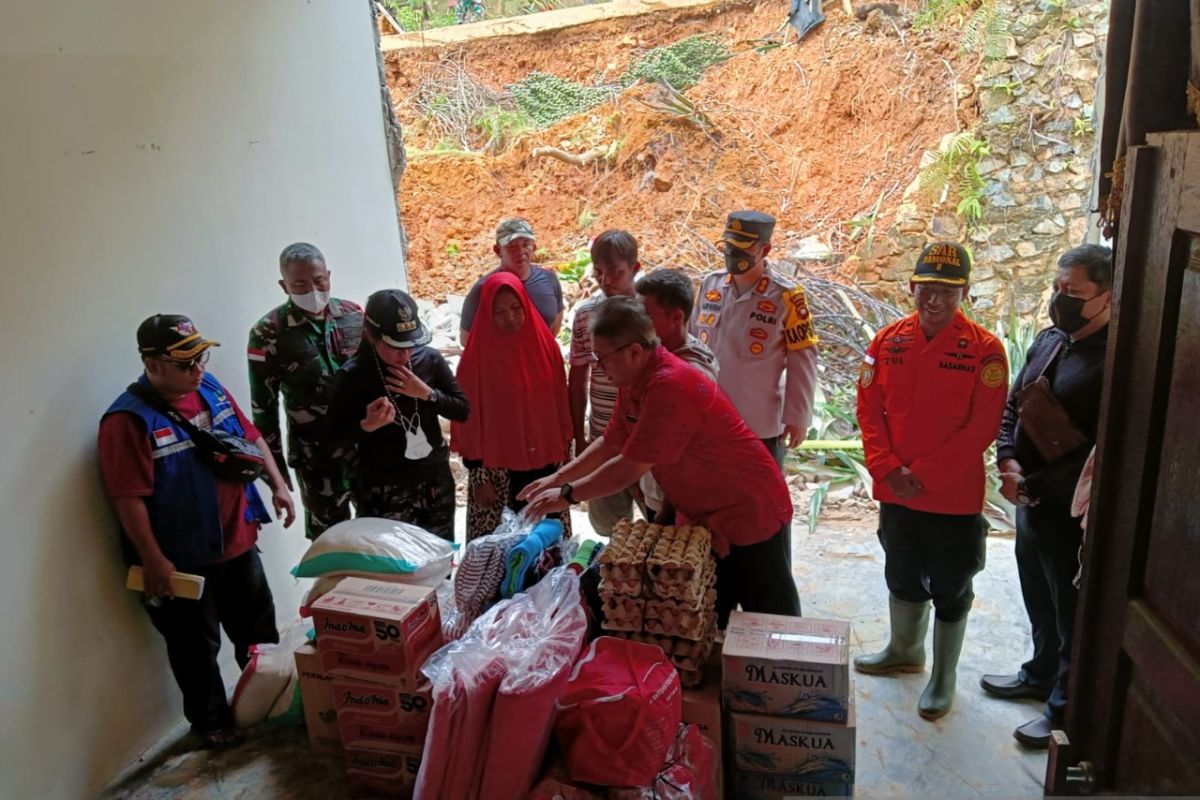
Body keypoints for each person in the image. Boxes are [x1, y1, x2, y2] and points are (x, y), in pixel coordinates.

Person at [520, 297, 799, 623]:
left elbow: (628, 468)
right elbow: (611, 442)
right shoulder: (635, 379)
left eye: (602, 358)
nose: (598, 367)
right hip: (705, 511)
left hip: (749, 508)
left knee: (771, 620)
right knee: (704, 611)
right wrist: (557, 479)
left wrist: (568, 495)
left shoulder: (669, 386)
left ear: (635, 352)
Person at [98, 315, 296, 748]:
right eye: (185, 363)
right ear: (152, 364)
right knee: (195, 649)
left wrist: (278, 485)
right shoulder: (127, 422)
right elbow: (127, 498)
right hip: (182, 560)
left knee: (259, 635)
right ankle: (212, 723)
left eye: (200, 358)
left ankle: (265, 705)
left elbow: (251, 437)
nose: (198, 370)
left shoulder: (209, 389)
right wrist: (153, 559)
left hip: (238, 541)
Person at [853, 242, 1008, 721]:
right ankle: (905, 650)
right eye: (926, 289)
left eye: (947, 290)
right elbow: (868, 411)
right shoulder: (886, 342)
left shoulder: (985, 351)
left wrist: (921, 476)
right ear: (912, 287)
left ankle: (943, 678)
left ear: (964, 292)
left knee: (952, 586)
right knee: (900, 573)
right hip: (896, 492)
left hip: (952, 498)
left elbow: (982, 428)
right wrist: (887, 469)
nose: (934, 300)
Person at [981, 244, 1112, 748]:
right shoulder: (1051, 341)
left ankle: (1062, 709)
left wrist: (1034, 485)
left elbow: (1100, 456)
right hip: (1029, 498)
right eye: (1057, 289)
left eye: (1073, 293)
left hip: (1069, 512)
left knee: (1070, 609)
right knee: (1038, 596)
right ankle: (1037, 674)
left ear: (1106, 297)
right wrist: (1009, 461)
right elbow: (1016, 403)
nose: (1061, 300)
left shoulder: (1115, 365)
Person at [325, 290, 468, 540]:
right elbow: (331, 442)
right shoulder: (353, 375)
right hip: (384, 489)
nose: (405, 355)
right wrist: (365, 426)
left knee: (440, 559)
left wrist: (427, 394)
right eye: (395, 347)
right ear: (371, 336)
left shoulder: (429, 359)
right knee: (395, 571)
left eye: (411, 345)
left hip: (434, 480)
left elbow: (462, 410)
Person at [248, 242, 364, 540]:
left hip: (365, 450)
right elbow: (263, 406)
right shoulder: (268, 332)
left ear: (329, 276)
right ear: (283, 285)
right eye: (299, 284)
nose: (312, 290)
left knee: (376, 537)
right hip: (316, 459)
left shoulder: (354, 315)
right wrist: (273, 470)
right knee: (331, 544)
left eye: (318, 280)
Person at [689, 210, 818, 466]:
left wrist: (798, 417)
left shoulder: (786, 296)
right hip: (707, 416)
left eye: (741, 248)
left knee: (760, 500)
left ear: (765, 249)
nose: (732, 254)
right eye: (728, 246)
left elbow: (803, 360)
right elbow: (691, 344)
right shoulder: (710, 286)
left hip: (758, 424)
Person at [453, 272, 574, 540]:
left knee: (546, 544)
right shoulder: (476, 359)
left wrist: (566, 453)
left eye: (516, 308)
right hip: (497, 472)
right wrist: (480, 476)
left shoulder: (546, 348)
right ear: (486, 313)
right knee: (500, 550)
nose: (510, 317)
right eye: (500, 312)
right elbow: (468, 419)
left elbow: (559, 402)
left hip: (545, 462)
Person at [569, 230, 642, 535]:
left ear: (635, 268)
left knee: (662, 523)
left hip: (648, 436)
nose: (606, 280)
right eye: (599, 272)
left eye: (616, 271)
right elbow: (578, 377)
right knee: (610, 529)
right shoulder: (586, 314)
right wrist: (579, 438)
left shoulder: (652, 312)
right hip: (603, 436)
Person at [635, 268, 718, 524]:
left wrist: (667, 511)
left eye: (646, 317)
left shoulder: (689, 373)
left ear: (676, 317)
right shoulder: (656, 359)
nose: (638, 325)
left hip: (680, 504)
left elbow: (686, 453)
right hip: (657, 493)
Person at [460, 218, 564, 344]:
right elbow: (467, 339)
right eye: (512, 246)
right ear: (498, 250)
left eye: (526, 244)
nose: (520, 251)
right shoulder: (485, 289)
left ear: (534, 247)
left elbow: (554, 326)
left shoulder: (549, 280)